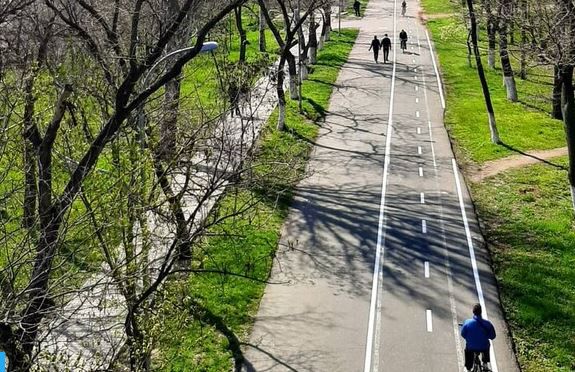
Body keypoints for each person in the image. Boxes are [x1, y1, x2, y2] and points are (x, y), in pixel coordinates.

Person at [461, 304, 496, 372]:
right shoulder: (487, 324)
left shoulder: (467, 323)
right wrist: (486, 336)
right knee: (487, 345)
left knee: (467, 350)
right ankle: (485, 364)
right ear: (481, 312)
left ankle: (468, 368)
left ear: (473, 311)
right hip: (483, 347)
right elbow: (493, 336)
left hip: (471, 347)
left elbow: (463, 334)